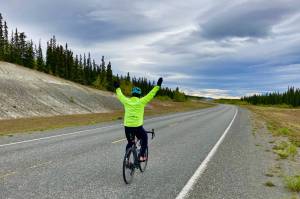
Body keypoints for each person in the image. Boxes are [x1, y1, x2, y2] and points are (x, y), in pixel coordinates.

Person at [114, 77, 163, 161]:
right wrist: (158, 86)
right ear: (139, 95)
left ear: (132, 94)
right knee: (144, 138)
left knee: (130, 142)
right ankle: (141, 156)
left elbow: (120, 95)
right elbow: (151, 94)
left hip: (127, 126)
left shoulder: (126, 101)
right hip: (137, 127)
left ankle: (126, 160)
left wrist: (117, 88)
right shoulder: (142, 101)